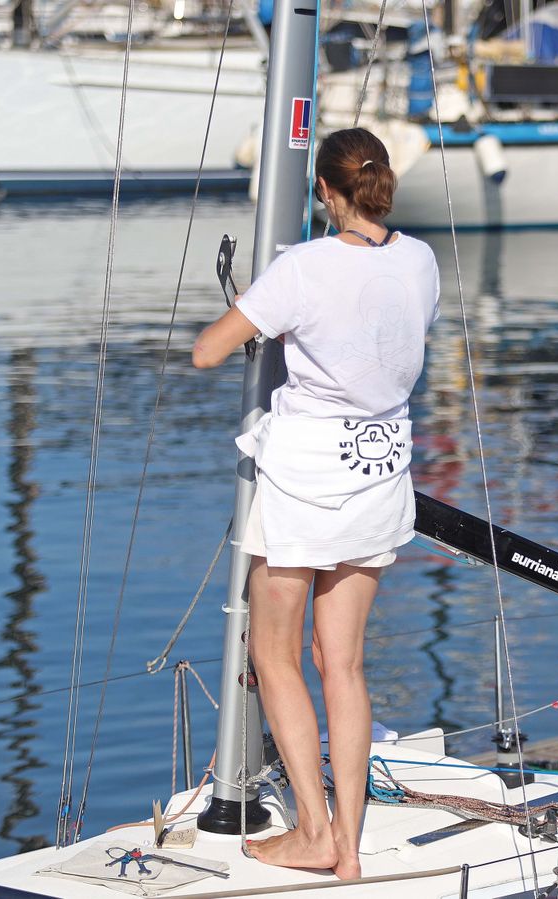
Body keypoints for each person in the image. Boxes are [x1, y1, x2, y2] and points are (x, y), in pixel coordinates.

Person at [192, 127, 439, 880]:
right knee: (346, 665)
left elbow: (208, 350)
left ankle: (312, 830)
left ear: (326, 192)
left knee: (274, 653)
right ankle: (351, 848)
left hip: (304, 484)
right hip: (379, 476)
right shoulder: (420, 261)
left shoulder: (300, 267)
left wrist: (255, 306)